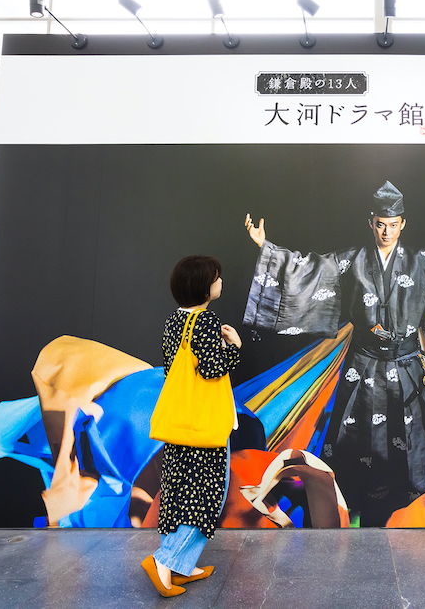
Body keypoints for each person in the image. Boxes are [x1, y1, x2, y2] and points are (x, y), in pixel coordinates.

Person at [243, 181, 425, 525]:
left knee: (420, 443)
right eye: (380, 224)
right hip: (363, 366)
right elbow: (310, 269)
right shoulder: (351, 260)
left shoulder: (423, 261)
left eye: (393, 225)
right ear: (371, 222)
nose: (386, 232)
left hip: (408, 365)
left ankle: (420, 512)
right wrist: (267, 248)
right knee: (356, 441)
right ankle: (353, 510)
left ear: (403, 224)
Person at [142, 256, 242, 597]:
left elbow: (175, 368)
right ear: (204, 286)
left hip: (180, 424)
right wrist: (234, 347)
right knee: (207, 496)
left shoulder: (174, 321)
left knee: (180, 493)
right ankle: (165, 561)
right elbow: (212, 369)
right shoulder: (205, 321)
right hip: (204, 426)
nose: (220, 282)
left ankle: (180, 565)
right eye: (216, 278)